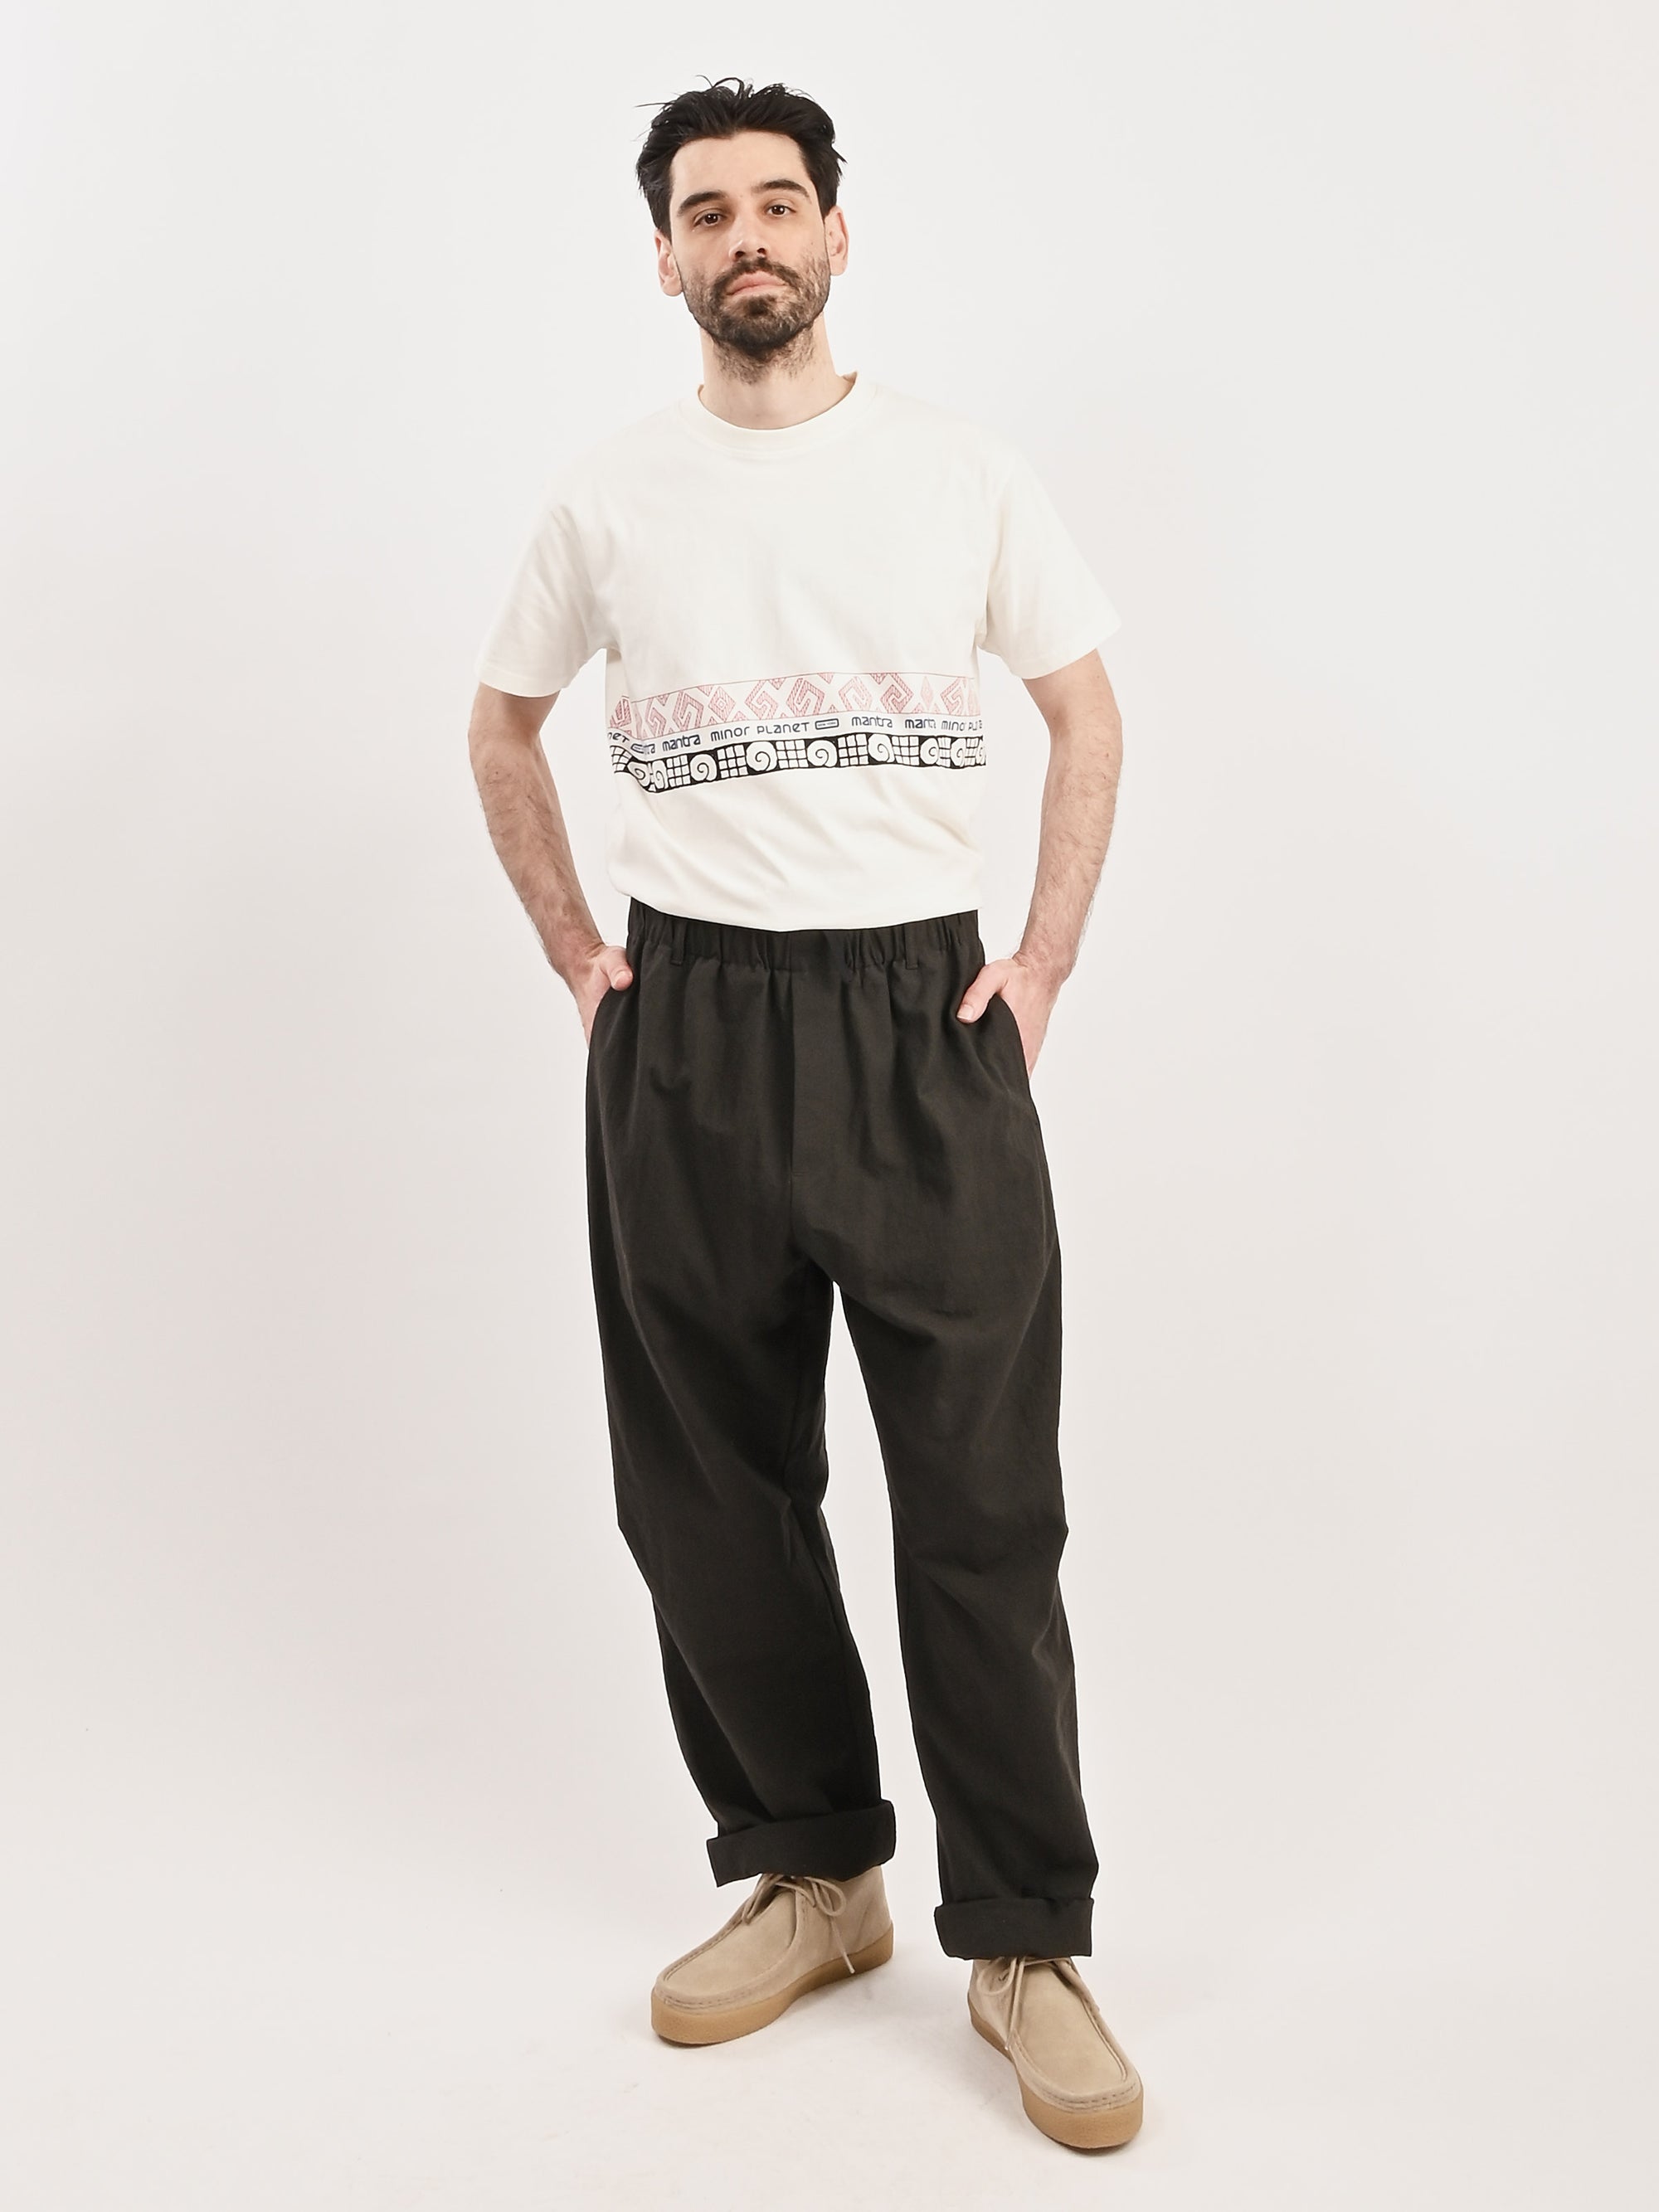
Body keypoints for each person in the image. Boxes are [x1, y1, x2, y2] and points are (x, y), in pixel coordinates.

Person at [467, 75, 1143, 2152]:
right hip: (685, 1024)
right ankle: (812, 1867)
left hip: (919, 1016)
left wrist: (1038, 963)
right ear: (664, 255)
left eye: (777, 204)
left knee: (980, 1500)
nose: (745, 237)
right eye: (707, 211)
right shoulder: (609, 499)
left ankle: (1024, 1936)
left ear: (836, 236)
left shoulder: (958, 473)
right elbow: (500, 725)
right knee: (706, 1486)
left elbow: (1083, 710)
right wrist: (579, 950)